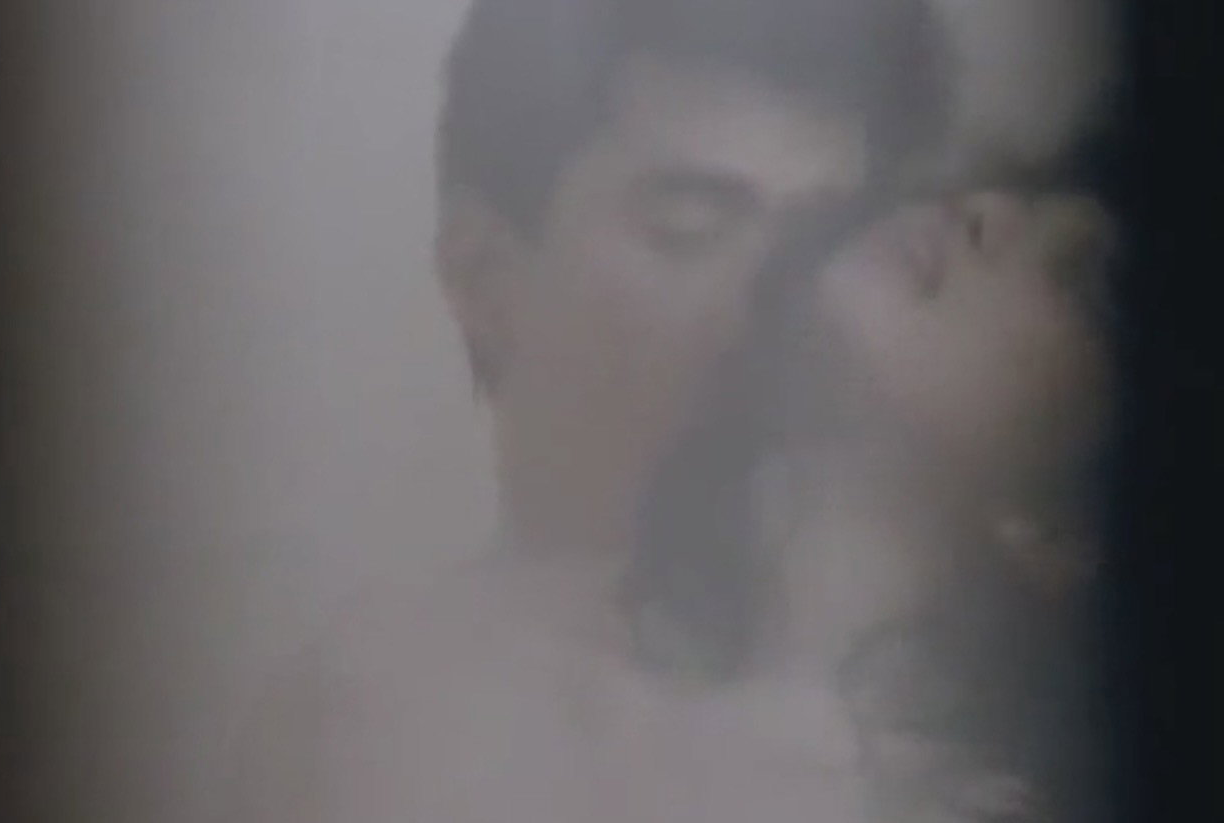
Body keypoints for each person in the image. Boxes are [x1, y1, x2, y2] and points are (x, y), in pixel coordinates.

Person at [235, 2, 1068, 821]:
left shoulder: (992, 769)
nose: (783, 292)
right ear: (483, 278)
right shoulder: (361, 715)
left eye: (826, 236)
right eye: (689, 228)